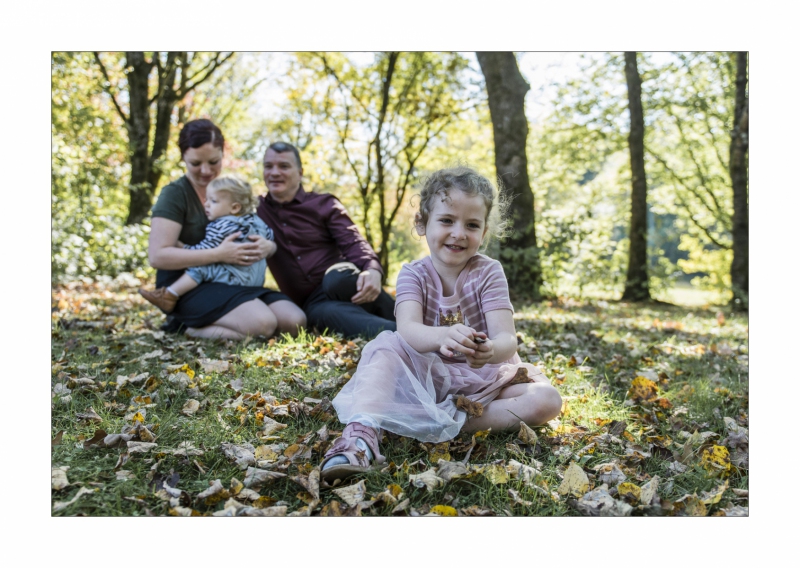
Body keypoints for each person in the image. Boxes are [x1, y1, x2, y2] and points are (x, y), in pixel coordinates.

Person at [319, 166, 563, 483]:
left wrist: (489, 351)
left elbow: (507, 339)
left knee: (548, 400)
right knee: (387, 346)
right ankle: (361, 435)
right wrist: (443, 335)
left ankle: (433, 425)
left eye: (472, 225)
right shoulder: (413, 274)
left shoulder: (489, 272)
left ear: (484, 232)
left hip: (485, 381)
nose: (459, 232)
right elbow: (409, 330)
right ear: (422, 223)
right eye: (447, 220)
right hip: (428, 378)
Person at [146, 119, 306, 340]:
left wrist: (267, 247)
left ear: (223, 154)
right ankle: (187, 327)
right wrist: (219, 254)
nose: (206, 171)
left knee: (294, 321)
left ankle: (240, 322)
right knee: (263, 324)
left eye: (213, 161)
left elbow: (257, 234)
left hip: (234, 280)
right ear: (183, 157)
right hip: (188, 284)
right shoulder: (174, 194)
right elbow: (158, 256)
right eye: (195, 163)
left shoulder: (229, 190)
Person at [256, 142, 396, 338]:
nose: (274, 172)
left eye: (284, 166)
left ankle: (418, 320)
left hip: (341, 282)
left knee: (336, 279)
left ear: (300, 172)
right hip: (314, 303)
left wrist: (372, 269)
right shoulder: (256, 211)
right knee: (333, 315)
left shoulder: (323, 204)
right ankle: (408, 335)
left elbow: (352, 240)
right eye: (268, 166)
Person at [139, 175, 273, 313]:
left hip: (234, 280)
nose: (206, 204)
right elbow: (270, 236)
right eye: (207, 199)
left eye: (213, 201)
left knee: (202, 267)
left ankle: (169, 295)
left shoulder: (221, 226)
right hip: (255, 281)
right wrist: (268, 245)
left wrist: (183, 247)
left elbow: (203, 251)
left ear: (234, 208)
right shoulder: (257, 221)